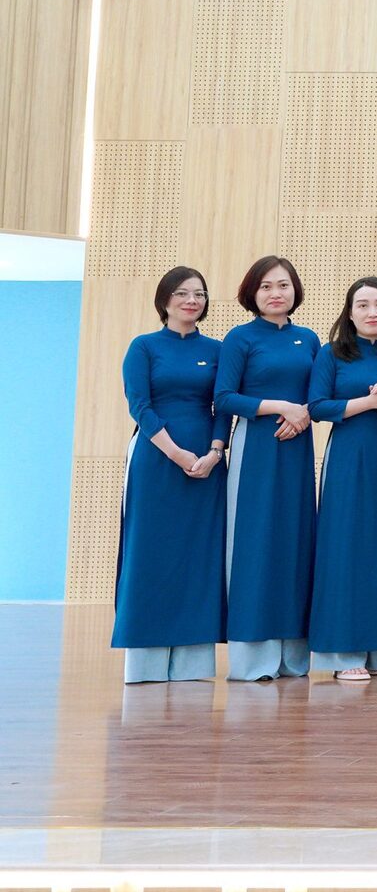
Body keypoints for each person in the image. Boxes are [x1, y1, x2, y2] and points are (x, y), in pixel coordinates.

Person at [114, 267, 227, 684]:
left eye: (199, 294)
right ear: (165, 300)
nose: (191, 301)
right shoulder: (143, 346)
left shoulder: (217, 350)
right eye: (182, 293)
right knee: (150, 551)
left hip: (207, 463)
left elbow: (223, 405)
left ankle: (192, 664)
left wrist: (215, 452)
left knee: (200, 555)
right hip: (157, 458)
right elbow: (139, 405)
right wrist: (176, 453)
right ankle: (145, 662)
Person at [214, 255, 322, 682]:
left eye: (283, 285)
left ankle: (293, 658)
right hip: (256, 448)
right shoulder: (240, 338)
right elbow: (224, 398)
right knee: (255, 542)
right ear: (252, 293)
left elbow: (320, 394)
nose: (276, 293)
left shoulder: (308, 339)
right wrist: (281, 407)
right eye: (266, 286)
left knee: (295, 543)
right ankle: (253, 659)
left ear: (295, 290)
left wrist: (303, 414)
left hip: (297, 449)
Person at [307, 276, 377, 682]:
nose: (372, 312)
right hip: (348, 458)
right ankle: (343, 650)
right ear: (350, 313)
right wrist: (369, 401)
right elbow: (317, 406)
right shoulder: (332, 354)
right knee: (344, 546)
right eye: (363, 305)